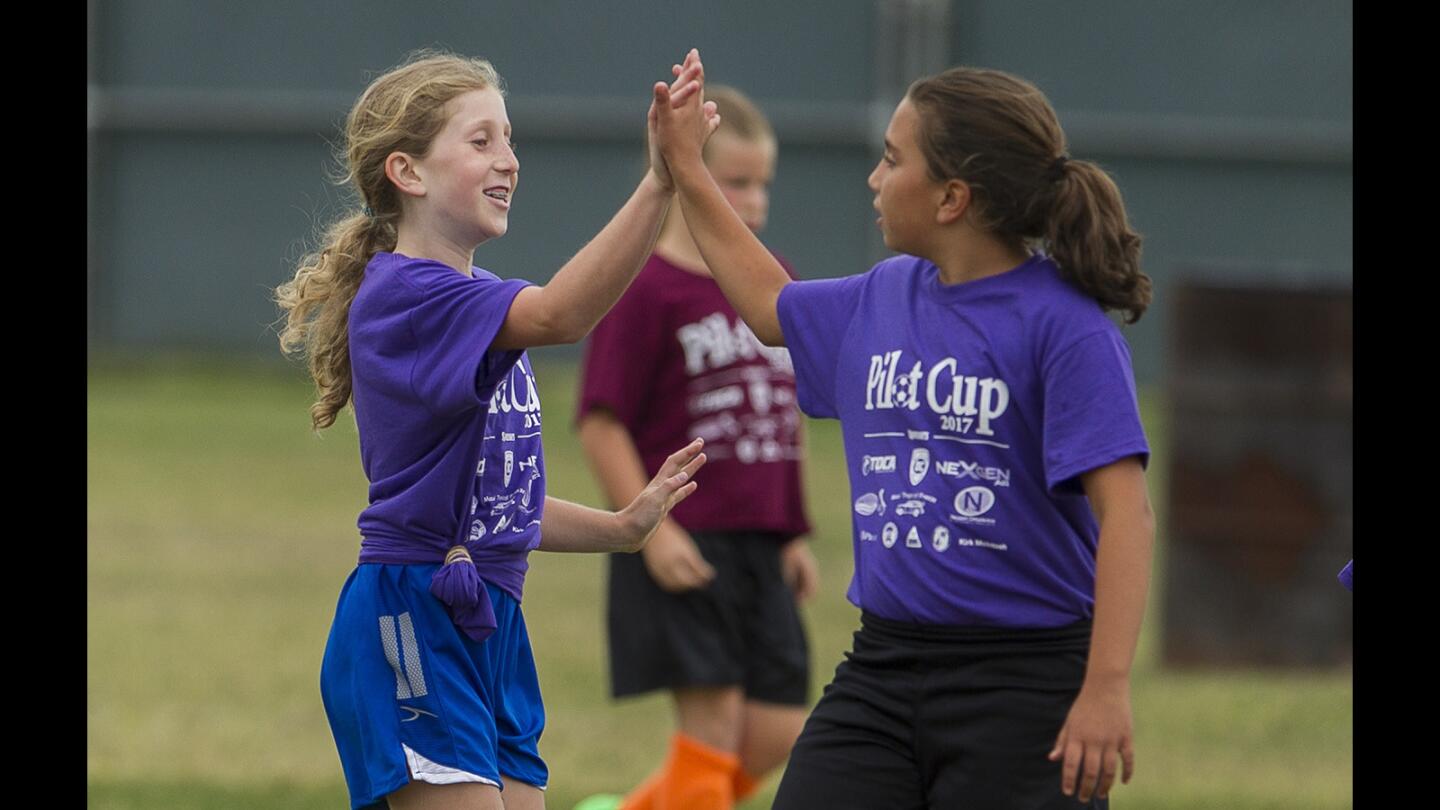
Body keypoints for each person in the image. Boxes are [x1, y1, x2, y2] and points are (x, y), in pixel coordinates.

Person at [652, 54, 1155, 809]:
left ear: (953, 196)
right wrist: (688, 168)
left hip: (1027, 686)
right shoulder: (885, 295)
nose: (874, 179)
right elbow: (767, 305)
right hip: (884, 669)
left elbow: (1128, 517)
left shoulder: (1065, 329)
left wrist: (1105, 690)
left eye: (893, 160)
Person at [274, 49, 720, 810]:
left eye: (509, 139)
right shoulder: (412, 294)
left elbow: (496, 512)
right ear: (407, 172)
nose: (508, 160)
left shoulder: (472, 300)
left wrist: (622, 526)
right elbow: (562, 315)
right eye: (480, 141)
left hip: (488, 621)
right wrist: (660, 182)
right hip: (412, 613)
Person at [574, 86, 818, 810]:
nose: (755, 199)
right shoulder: (645, 287)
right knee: (710, 731)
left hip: (761, 547)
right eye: (735, 181)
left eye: (762, 183)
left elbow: (780, 418)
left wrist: (793, 532)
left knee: (775, 731)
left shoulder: (773, 285)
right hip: (686, 540)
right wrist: (651, 532)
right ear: (687, 176)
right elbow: (599, 420)